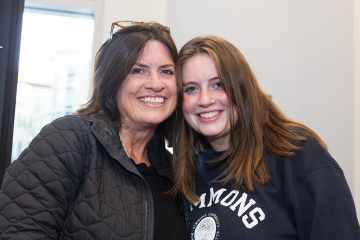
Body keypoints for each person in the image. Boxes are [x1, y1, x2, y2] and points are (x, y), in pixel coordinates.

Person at [0, 22, 189, 240]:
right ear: (112, 80)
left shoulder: (177, 170)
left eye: (166, 71)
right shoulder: (68, 139)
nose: (156, 84)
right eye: (138, 70)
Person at [170, 35, 360, 240]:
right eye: (191, 89)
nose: (205, 100)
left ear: (242, 88)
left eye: (219, 84)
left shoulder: (296, 154)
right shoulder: (188, 172)